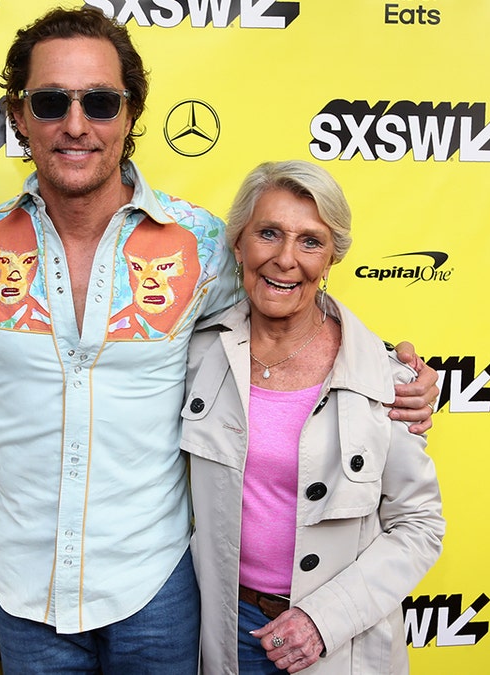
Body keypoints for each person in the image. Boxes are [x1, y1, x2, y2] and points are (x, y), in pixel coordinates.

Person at [0, 8, 437, 674]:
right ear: (18, 114)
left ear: (130, 114)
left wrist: (393, 370)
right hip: (21, 587)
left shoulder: (201, 244)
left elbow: (288, 298)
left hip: (153, 588)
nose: (75, 124)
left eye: (99, 102)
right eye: (50, 102)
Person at [183, 160, 445, 674]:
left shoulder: (384, 377)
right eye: (268, 234)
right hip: (222, 630)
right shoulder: (195, 353)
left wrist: (322, 620)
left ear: (331, 258)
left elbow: (419, 524)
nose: (285, 259)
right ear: (239, 244)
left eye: (310, 241)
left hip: (337, 643)